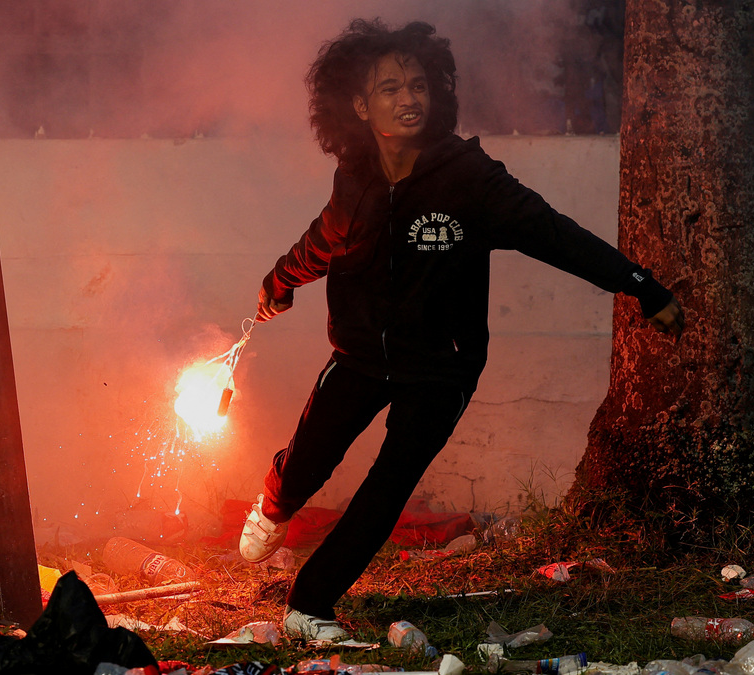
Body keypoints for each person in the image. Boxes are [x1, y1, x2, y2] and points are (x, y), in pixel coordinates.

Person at [240, 19, 684, 641]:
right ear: (359, 106)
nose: (409, 98)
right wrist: (279, 281)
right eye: (390, 88)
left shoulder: (471, 178)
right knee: (305, 462)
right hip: (359, 354)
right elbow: (327, 236)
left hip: (440, 368)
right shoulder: (356, 173)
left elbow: (555, 235)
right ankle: (273, 508)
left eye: (418, 85)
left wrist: (642, 286)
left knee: (388, 484)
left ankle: (309, 605)